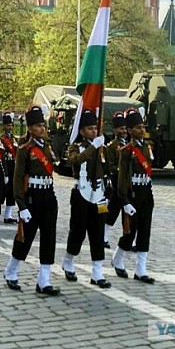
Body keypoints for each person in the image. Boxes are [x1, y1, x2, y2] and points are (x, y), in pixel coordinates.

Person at [3, 106, 60, 296]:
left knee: (48, 237)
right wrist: (21, 205)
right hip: (31, 197)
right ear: (29, 128)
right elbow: (18, 178)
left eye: (43, 125)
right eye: (38, 126)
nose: (42, 129)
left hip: (48, 195)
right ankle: (11, 271)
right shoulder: (25, 149)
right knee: (24, 237)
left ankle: (44, 281)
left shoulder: (47, 147)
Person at [61, 109, 111, 288]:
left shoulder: (101, 147)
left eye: (94, 128)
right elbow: (75, 160)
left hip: (99, 194)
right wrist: (93, 147)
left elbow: (109, 169)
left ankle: (97, 272)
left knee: (98, 232)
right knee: (78, 230)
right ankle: (68, 261)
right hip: (81, 193)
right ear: (81, 131)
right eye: (89, 128)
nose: (93, 132)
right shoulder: (76, 147)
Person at [111, 108, 156, 284]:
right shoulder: (126, 151)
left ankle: (141, 269)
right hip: (132, 193)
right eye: (138, 127)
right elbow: (122, 179)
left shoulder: (147, 147)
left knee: (145, 231)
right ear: (129, 130)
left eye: (143, 126)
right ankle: (118, 258)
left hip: (146, 191)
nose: (142, 130)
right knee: (130, 231)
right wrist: (124, 200)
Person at [103, 111, 128, 248]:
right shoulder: (111, 146)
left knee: (129, 210)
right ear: (114, 130)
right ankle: (104, 236)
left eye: (125, 129)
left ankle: (129, 237)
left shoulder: (130, 144)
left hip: (127, 182)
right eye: (121, 129)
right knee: (113, 209)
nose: (123, 131)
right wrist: (119, 171)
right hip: (116, 180)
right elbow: (110, 165)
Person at [0, 113, 19, 224]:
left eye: (11, 125)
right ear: (4, 126)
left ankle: (8, 215)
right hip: (4, 165)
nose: (10, 128)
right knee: (2, 190)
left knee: (12, 191)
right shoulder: (1, 138)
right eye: (8, 125)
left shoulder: (14, 139)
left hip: (12, 165)